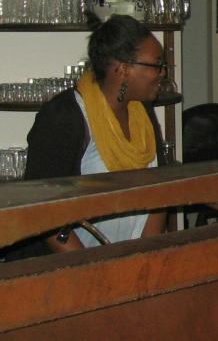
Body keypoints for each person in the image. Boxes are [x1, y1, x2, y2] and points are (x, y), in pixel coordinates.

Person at [25, 14, 168, 253]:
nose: (162, 73)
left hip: (133, 258)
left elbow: (160, 189)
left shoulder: (141, 111)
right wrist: (91, 266)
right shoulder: (64, 116)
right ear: (123, 69)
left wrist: (142, 255)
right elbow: (41, 209)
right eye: (156, 65)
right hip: (72, 266)